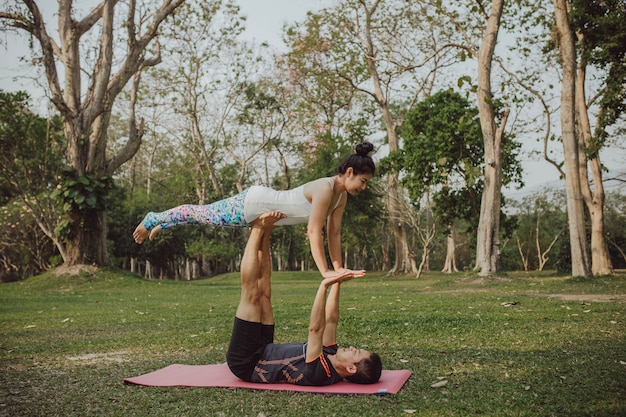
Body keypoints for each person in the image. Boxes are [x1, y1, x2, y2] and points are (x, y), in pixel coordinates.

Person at [133, 142, 376, 280]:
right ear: (350, 173)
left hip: (260, 207)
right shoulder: (326, 188)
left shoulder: (340, 196)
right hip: (253, 205)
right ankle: (156, 218)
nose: (363, 187)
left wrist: (338, 267)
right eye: (363, 181)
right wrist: (325, 271)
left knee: (200, 216)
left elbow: (334, 234)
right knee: (201, 214)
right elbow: (314, 231)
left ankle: (162, 223)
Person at [226, 211, 382, 385]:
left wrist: (324, 286)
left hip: (248, 363)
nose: (352, 347)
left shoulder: (321, 373)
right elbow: (331, 320)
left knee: (252, 295)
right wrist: (338, 281)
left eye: (356, 352)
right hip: (265, 349)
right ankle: (266, 231)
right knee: (264, 294)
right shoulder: (331, 355)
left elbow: (315, 329)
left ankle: (256, 229)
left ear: (351, 369)